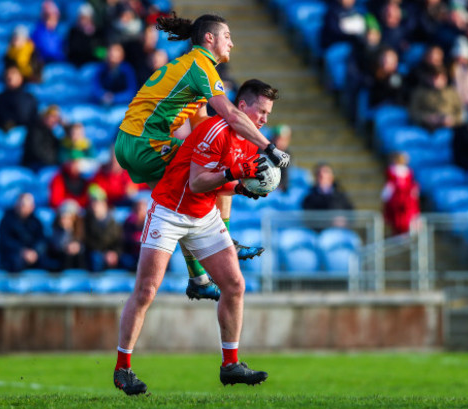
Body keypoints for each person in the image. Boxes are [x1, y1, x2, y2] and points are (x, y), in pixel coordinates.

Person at [112, 79, 276, 395]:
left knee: (235, 285)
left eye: (269, 114)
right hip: (170, 210)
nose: (265, 120)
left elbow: (217, 185)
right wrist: (234, 176)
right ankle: (123, 369)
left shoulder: (249, 141)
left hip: (203, 217)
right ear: (242, 107)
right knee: (146, 290)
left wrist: (240, 187)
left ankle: (230, 365)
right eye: (262, 111)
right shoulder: (215, 130)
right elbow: (199, 181)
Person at [114, 12, 290, 300]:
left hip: (131, 140)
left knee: (188, 193)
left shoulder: (191, 72)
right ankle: (225, 242)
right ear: (210, 38)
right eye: (227, 36)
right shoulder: (200, 65)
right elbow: (231, 115)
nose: (232, 43)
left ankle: (199, 278)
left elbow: (202, 127)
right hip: (142, 142)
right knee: (206, 175)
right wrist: (268, 147)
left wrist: (236, 184)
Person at [0, 193, 51, 272]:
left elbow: (41, 239)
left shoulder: (36, 221)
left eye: (28, 206)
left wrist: (35, 252)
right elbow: (5, 240)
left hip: (33, 256)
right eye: (23, 205)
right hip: (14, 257)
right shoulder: (7, 220)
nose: (25, 208)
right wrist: (22, 251)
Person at [408, 65, 463, 130]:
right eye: (433, 77)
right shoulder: (420, 92)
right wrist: (427, 118)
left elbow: (460, 113)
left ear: (445, 78)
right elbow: (413, 112)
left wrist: (452, 120)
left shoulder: (452, 92)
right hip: (425, 128)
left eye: (439, 78)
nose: (435, 81)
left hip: (449, 128)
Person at [84, 184, 124, 271]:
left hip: (110, 253)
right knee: (95, 258)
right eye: (92, 202)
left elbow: (118, 241)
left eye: (97, 202)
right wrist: (104, 253)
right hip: (95, 253)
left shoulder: (114, 221)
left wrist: (114, 253)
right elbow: (87, 241)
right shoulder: (86, 220)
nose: (94, 205)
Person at [381, 152, 420, 235]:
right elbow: (390, 185)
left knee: (408, 217)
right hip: (396, 199)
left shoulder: (408, 171)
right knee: (396, 218)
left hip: (407, 199)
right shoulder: (391, 171)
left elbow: (410, 184)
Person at [0, 65, 39, 131]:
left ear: (21, 77)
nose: (9, 77)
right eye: (7, 74)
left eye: (13, 73)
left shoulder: (30, 98)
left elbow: (31, 118)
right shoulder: (0, 98)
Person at [48, 199, 86, 271]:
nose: (65, 220)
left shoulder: (81, 228)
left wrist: (78, 247)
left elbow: (86, 243)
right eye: (63, 217)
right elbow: (55, 245)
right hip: (62, 258)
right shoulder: (56, 229)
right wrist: (66, 247)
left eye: (68, 217)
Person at [21, 104, 62, 172]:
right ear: (45, 116)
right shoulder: (35, 130)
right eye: (52, 117)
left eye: (57, 118)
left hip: (48, 162)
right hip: (34, 164)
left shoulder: (52, 131)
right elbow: (37, 152)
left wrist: (65, 127)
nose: (55, 120)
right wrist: (55, 160)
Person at [66, 3, 101, 67]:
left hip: (93, 65)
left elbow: (102, 53)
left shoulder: (98, 33)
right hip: (74, 65)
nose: (84, 20)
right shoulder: (73, 32)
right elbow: (73, 52)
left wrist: (92, 52)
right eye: (82, 18)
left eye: (86, 18)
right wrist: (91, 50)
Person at [122, 198, 147, 271]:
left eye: (141, 208)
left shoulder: (152, 224)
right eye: (137, 208)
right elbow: (125, 240)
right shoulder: (128, 223)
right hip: (132, 254)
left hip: (147, 254)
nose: (139, 211)